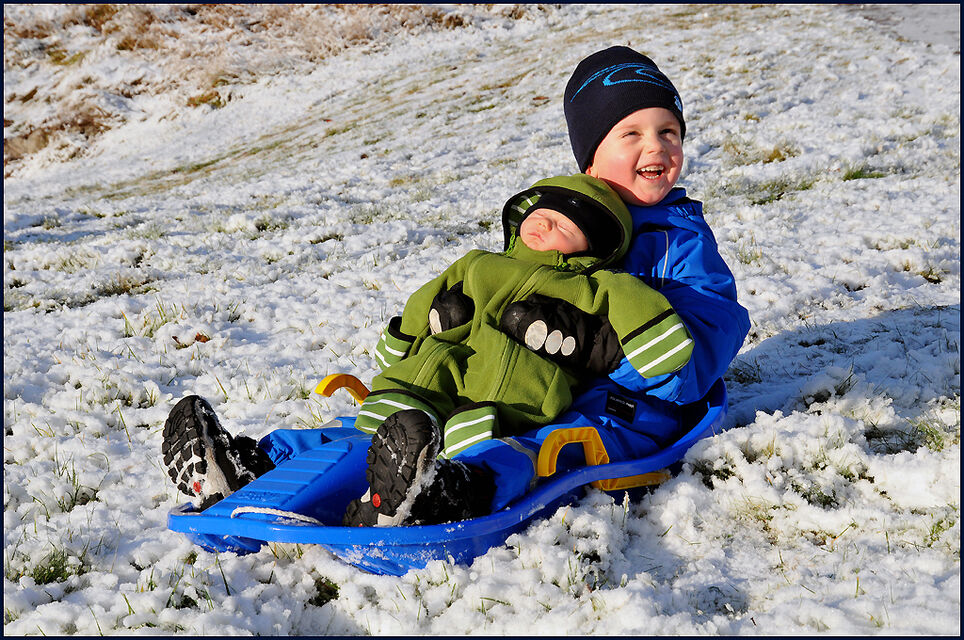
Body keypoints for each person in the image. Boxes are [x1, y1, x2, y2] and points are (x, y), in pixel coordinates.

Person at [162, 45, 750, 529]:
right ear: (591, 157)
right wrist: (455, 317)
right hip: (510, 378)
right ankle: (252, 465)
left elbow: (707, 340)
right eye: (632, 133)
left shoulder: (681, 241)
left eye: (669, 130)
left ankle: (451, 490)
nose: (657, 147)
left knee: (537, 444)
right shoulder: (559, 216)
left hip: (618, 408)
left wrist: (603, 350)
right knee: (399, 419)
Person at [163, 173, 696, 526]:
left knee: (510, 456)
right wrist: (409, 335)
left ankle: (442, 492)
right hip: (431, 380)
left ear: (592, 247)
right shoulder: (479, 263)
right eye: (539, 213)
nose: (543, 223)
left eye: (562, 224)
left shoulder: (594, 286)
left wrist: (639, 344)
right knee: (355, 438)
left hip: (506, 403)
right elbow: (427, 297)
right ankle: (247, 465)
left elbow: (643, 315)